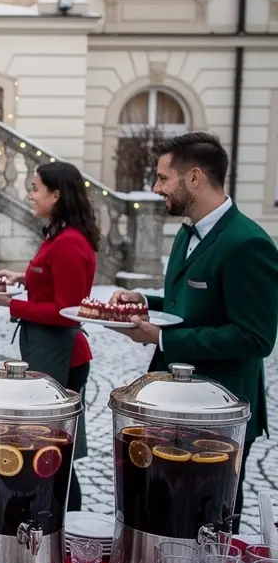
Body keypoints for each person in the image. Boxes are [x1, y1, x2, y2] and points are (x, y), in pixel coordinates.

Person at [111, 131, 278, 531]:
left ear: (195, 178)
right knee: (165, 513)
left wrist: (161, 338)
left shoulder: (248, 244)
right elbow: (190, 302)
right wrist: (143, 300)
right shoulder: (189, 230)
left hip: (220, 412)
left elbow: (256, 338)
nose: (155, 187)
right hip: (175, 402)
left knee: (207, 522)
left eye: (163, 178)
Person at [0, 161, 99, 511]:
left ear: (56, 194)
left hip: (62, 357)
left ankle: (67, 521)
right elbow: (51, 281)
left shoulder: (68, 242)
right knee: (47, 445)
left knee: (56, 449)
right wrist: (22, 278)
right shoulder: (60, 235)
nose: (30, 195)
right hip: (48, 353)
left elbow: (68, 311)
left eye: (35, 188)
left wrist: (14, 304)